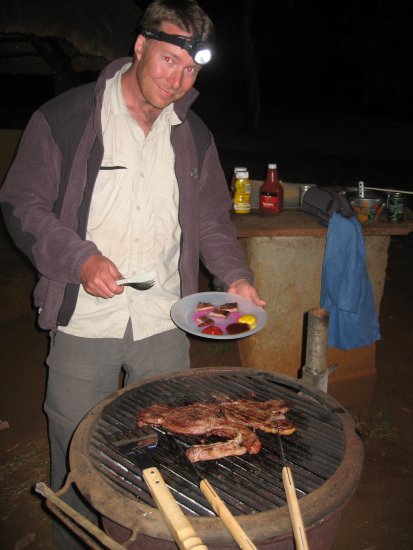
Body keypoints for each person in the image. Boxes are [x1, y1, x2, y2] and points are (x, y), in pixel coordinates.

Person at [0, 0, 265, 547]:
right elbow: (22, 205)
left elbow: (212, 220)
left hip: (165, 318)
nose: (179, 80)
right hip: (85, 317)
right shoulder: (67, 118)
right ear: (140, 46)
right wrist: (80, 259)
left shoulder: (193, 136)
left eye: (191, 69)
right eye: (170, 60)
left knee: (165, 450)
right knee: (76, 446)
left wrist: (235, 276)